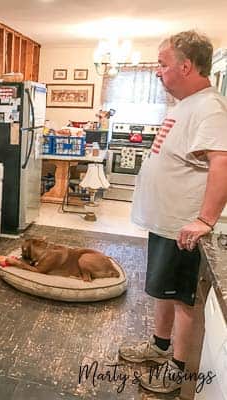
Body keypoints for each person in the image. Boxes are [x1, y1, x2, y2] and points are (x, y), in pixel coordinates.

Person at [118, 30, 227, 394]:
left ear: (186, 65)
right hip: (166, 223)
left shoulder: (209, 106)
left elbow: (222, 162)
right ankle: (159, 347)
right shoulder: (186, 104)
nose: (158, 72)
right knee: (163, 291)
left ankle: (178, 371)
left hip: (184, 227)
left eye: (163, 64)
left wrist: (204, 220)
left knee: (182, 299)